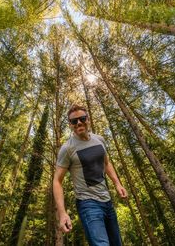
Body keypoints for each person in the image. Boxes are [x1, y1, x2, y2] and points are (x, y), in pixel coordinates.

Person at [53, 104, 128, 246]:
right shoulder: (67, 148)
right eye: (74, 121)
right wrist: (62, 213)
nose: (79, 123)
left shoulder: (99, 140)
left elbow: (106, 163)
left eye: (82, 118)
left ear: (88, 119)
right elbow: (57, 180)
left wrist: (117, 184)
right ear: (70, 124)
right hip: (88, 204)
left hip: (107, 201)